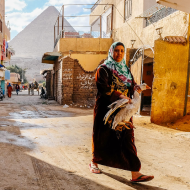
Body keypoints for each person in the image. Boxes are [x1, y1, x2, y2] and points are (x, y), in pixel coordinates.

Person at [90, 42, 154, 183]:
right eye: (116, 51)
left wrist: (135, 88)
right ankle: (94, 162)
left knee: (127, 137)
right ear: (111, 52)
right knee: (103, 137)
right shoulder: (103, 69)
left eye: (122, 51)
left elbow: (131, 86)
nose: (119, 54)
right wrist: (120, 95)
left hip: (125, 110)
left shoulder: (125, 70)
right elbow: (103, 88)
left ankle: (135, 173)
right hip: (107, 110)